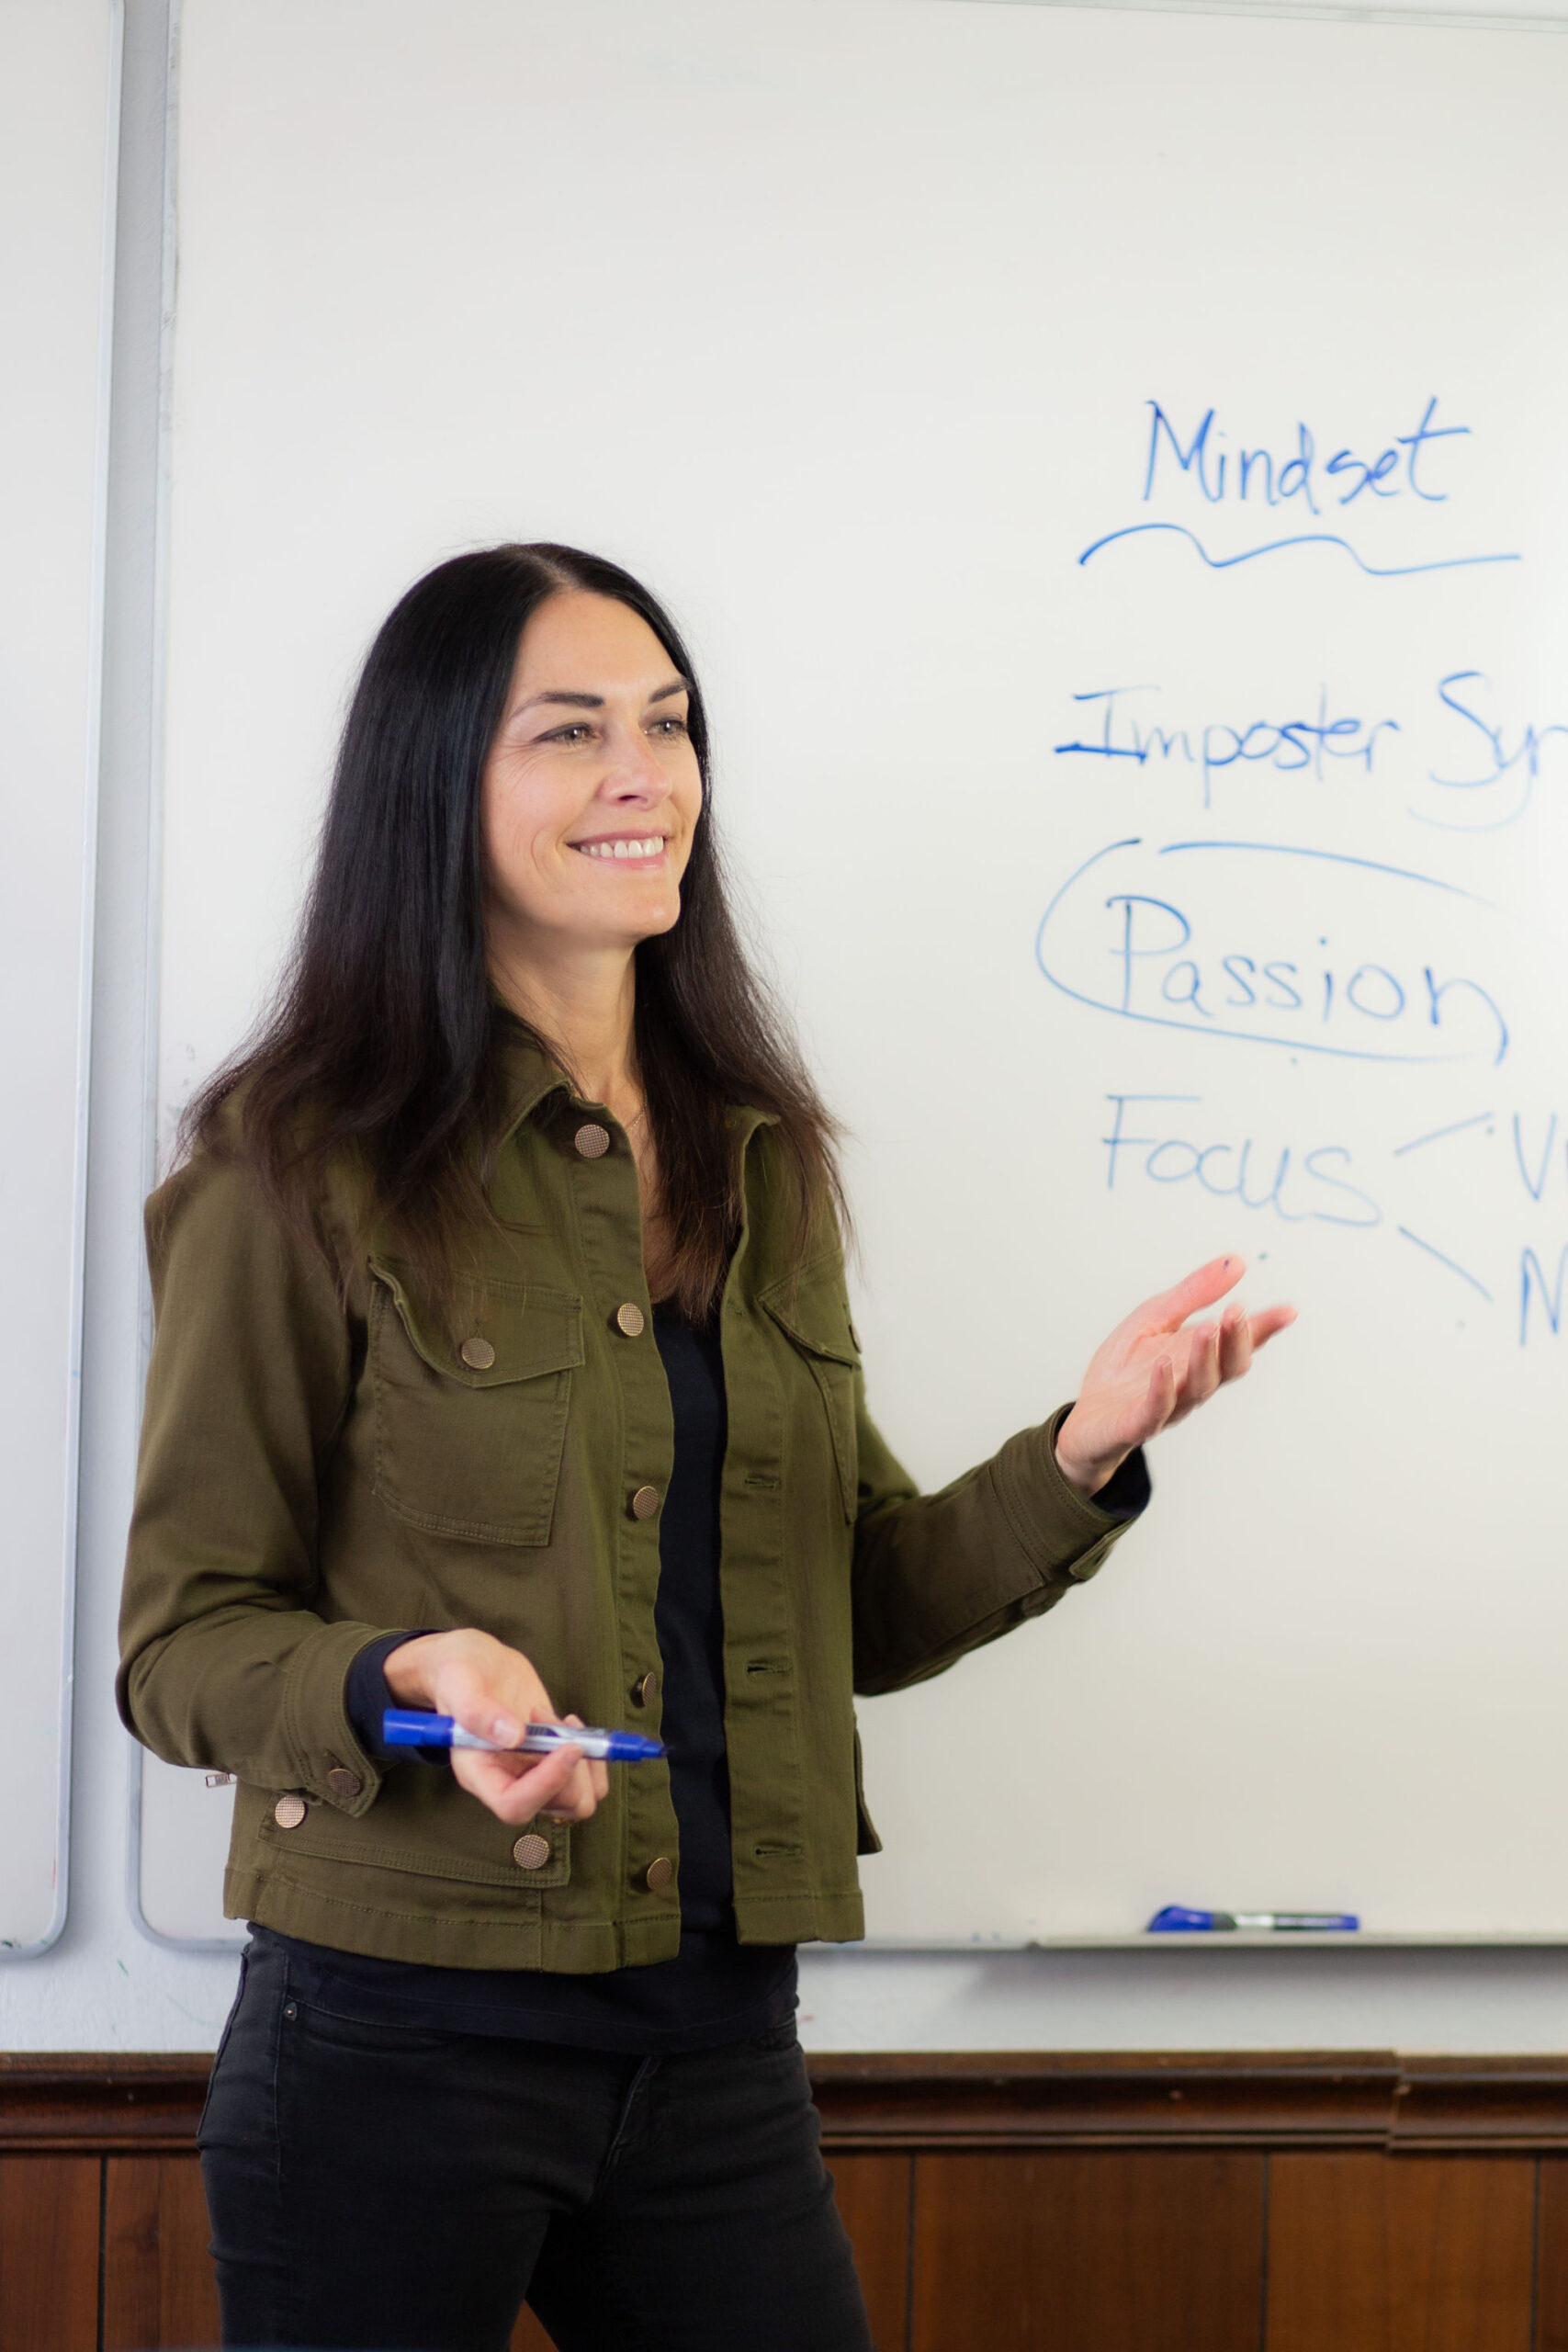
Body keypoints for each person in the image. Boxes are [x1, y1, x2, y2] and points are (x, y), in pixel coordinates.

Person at [118, 543, 1293, 2352]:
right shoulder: (292, 1175)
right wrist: (405, 1672)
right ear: (437, 781)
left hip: (715, 2039)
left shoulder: (755, 1158)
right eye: (571, 730)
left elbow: (855, 1604)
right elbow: (179, 1645)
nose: (642, 776)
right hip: (393, 2042)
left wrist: (1082, 1446)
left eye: (667, 723)